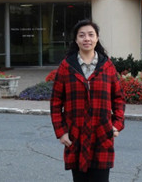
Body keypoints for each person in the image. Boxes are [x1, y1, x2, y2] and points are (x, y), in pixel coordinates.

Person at [50, 19, 125, 182]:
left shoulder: (107, 66)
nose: (86, 39)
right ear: (76, 40)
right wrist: (61, 132)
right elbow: (56, 102)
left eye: (91, 35)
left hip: (102, 135)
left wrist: (116, 125)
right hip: (76, 136)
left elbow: (118, 98)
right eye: (82, 35)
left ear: (97, 38)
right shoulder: (66, 66)